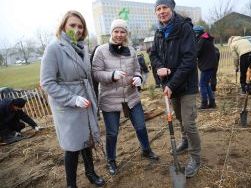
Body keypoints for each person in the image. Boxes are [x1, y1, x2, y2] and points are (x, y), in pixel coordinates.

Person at [40, 10, 105, 187]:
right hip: (67, 105)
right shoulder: (54, 47)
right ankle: (71, 184)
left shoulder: (82, 47)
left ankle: (91, 173)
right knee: (72, 146)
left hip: (85, 100)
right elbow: (47, 82)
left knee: (86, 140)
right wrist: (72, 99)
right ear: (63, 26)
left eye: (80, 26)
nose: (76, 29)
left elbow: (87, 76)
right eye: (72, 25)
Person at [92, 18, 159, 176]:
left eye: (122, 31)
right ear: (111, 33)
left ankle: (146, 150)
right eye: (116, 31)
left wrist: (138, 78)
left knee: (141, 126)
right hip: (110, 98)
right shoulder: (101, 51)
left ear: (126, 34)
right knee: (112, 132)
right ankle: (111, 160)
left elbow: (138, 70)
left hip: (131, 96)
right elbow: (95, 73)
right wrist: (111, 75)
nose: (119, 34)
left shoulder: (131, 51)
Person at [150, 0, 201, 178]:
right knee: (179, 117)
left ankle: (195, 158)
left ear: (171, 9)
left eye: (165, 8)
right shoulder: (158, 32)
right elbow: (153, 54)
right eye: (158, 9)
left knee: (188, 121)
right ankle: (185, 141)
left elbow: (189, 59)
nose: (162, 11)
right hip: (170, 84)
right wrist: (159, 68)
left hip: (185, 84)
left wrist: (171, 83)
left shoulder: (184, 28)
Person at [193, 25, 218, 109]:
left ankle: (204, 103)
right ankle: (212, 102)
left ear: (196, 33)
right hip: (210, 64)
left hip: (207, 65)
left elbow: (196, 53)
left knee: (202, 84)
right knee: (206, 84)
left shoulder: (202, 40)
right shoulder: (206, 39)